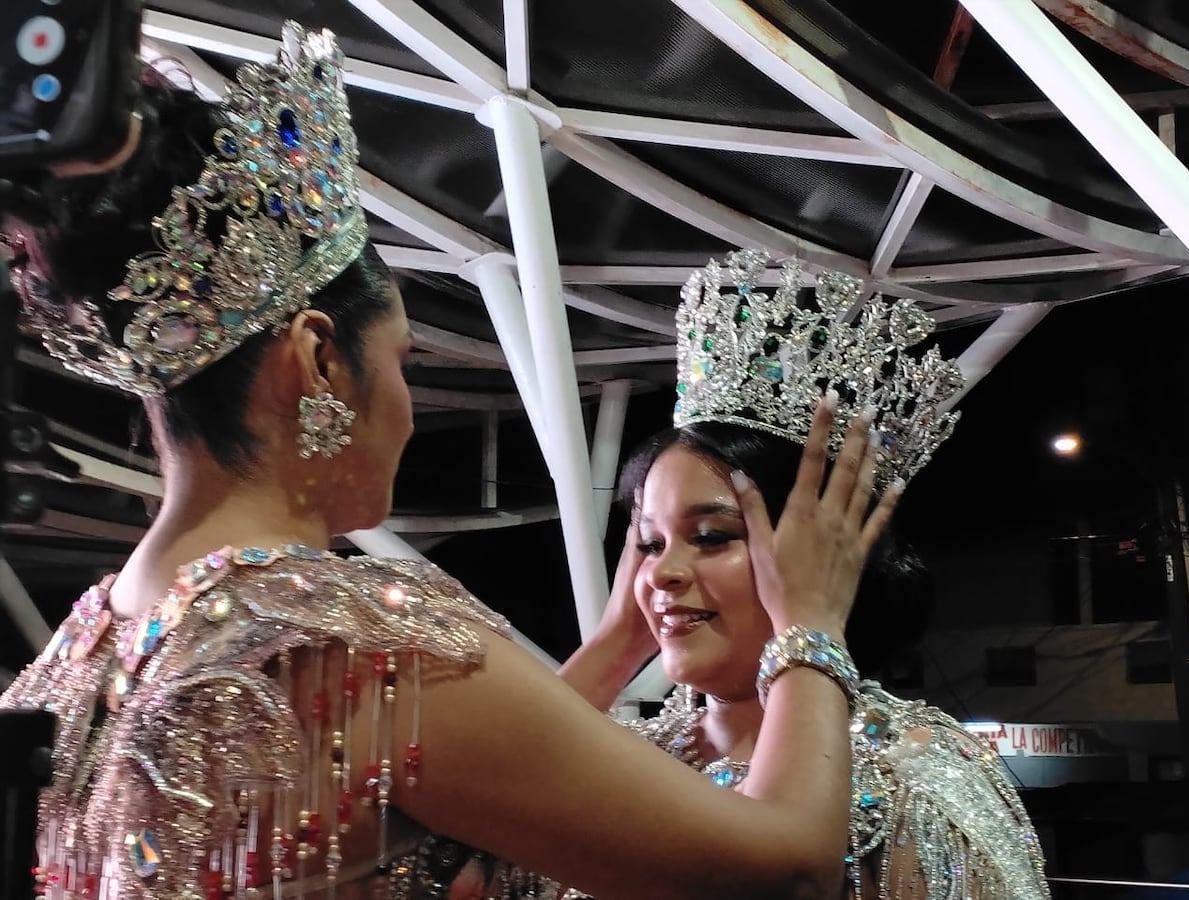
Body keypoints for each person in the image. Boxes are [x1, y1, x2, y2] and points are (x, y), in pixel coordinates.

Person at [0, 23, 898, 900]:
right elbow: (789, 869)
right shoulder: (353, 646)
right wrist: (811, 629)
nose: (405, 408)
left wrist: (617, 644)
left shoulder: (77, 664)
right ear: (317, 360)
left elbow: (477, 779)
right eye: (399, 360)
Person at [559, 255, 1052, 899]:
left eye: (711, 536)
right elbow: (453, 848)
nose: (663, 573)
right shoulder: (627, 756)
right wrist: (614, 644)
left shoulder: (915, 777)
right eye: (650, 543)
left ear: (825, 552)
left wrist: (808, 634)